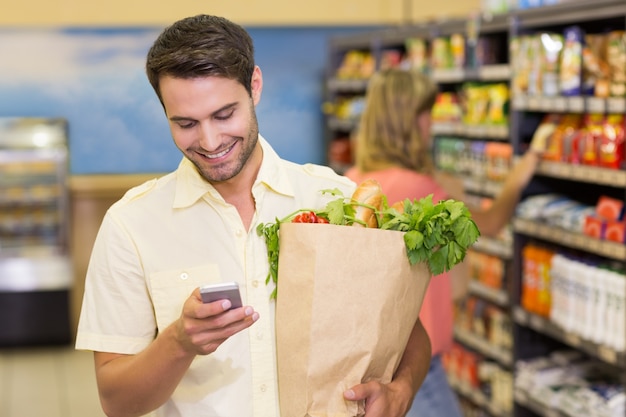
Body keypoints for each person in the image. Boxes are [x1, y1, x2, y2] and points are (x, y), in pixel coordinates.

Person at [75, 15, 432, 417]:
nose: (209, 142)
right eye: (186, 124)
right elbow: (117, 401)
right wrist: (178, 342)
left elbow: (410, 332)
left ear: (255, 87)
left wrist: (400, 390)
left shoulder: (338, 200)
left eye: (224, 115)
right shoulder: (131, 225)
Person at [345, 68, 543, 417]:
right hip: (415, 362)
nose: (431, 126)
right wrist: (520, 175)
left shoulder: (353, 182)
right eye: (426, 115)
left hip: (373, 356)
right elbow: (493, 223)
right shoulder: (421, 191)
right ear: (410, 122)